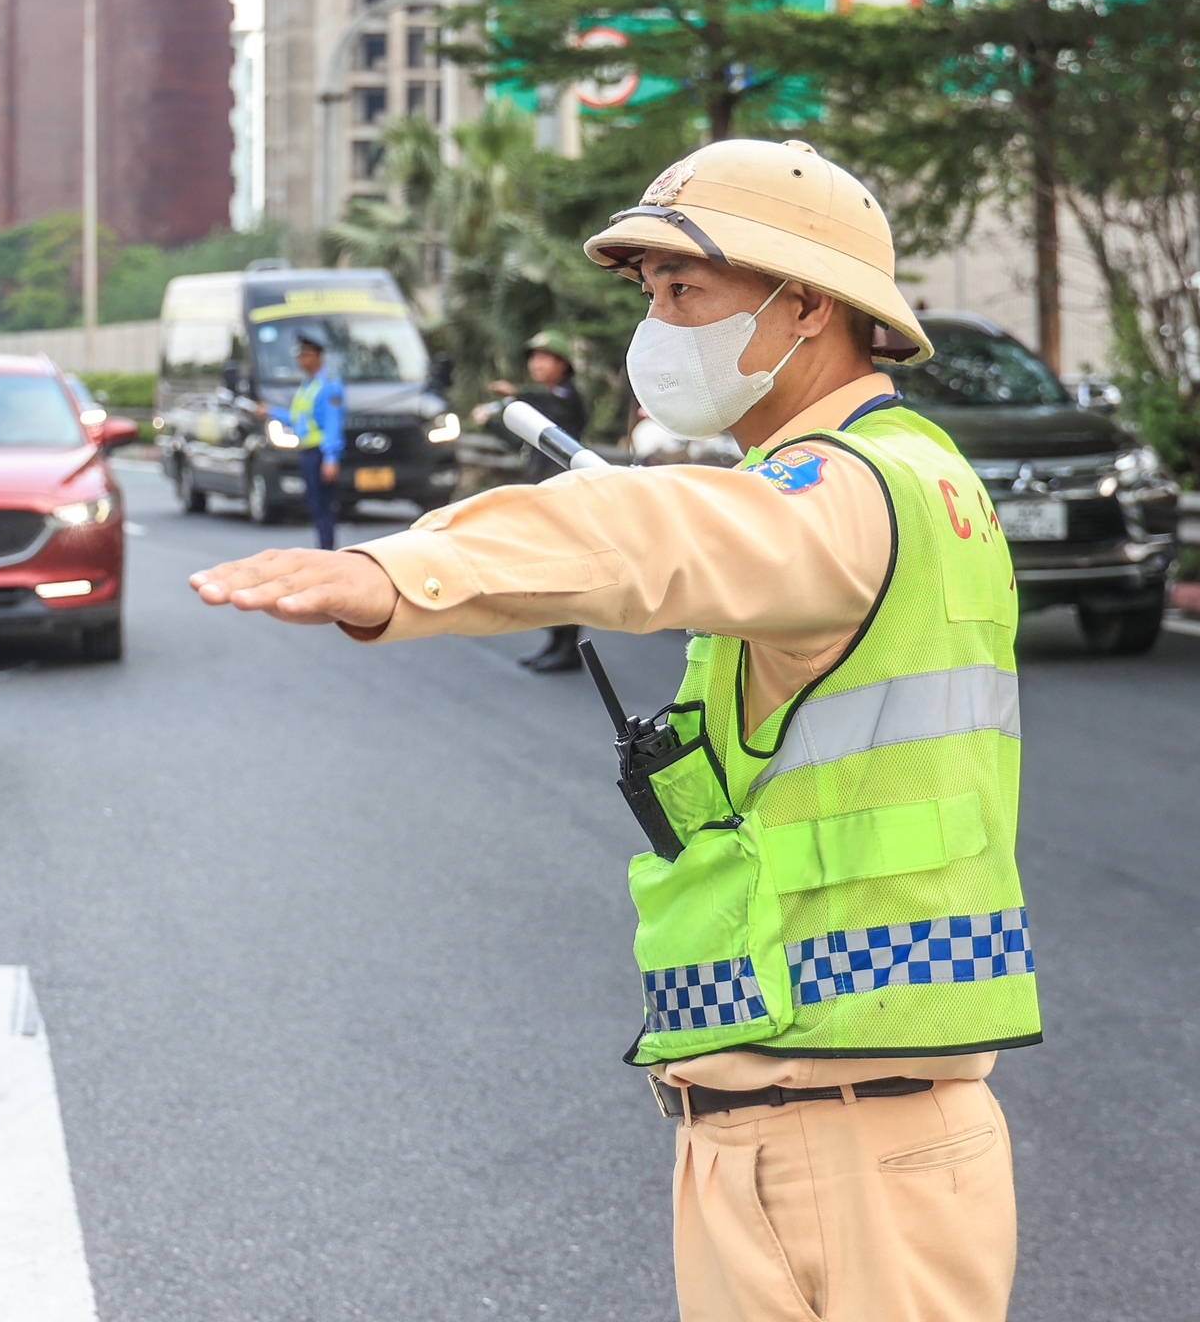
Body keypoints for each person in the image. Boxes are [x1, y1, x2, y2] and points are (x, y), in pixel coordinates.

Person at [190, 138, 1034, 1322]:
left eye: (686, 291)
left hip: (842, 1145)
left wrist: (406, 569)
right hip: (803, 1119)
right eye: (649, 294)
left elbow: (647, 533)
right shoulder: (902, 470)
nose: (658, 324)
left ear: (805, 305)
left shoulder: (848, 489)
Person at [472, 329, 592, 672]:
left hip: (567, 498)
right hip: (541, 497)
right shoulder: (539, 401)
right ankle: (554, 642)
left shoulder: (568, 398)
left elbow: (551, 405)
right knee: (546, 575)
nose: (536, 364)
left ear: (563, 364)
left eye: (545, 357)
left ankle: (569, 647)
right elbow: (520, 442)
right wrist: (490, 423)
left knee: (566, 575)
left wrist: (516, 395)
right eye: (533, 357)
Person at [244, 331, 346, 548]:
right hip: (308, 450)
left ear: (315, 357)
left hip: (320, 452)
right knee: (315, 504)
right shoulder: (308, 385)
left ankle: (327, 550)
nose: (299, 360)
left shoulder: (328, 385)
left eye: (304, 356)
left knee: (323, 504)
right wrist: (270, 411)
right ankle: (324, 548)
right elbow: (297, 417)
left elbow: (332, 423)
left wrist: (330, 457)